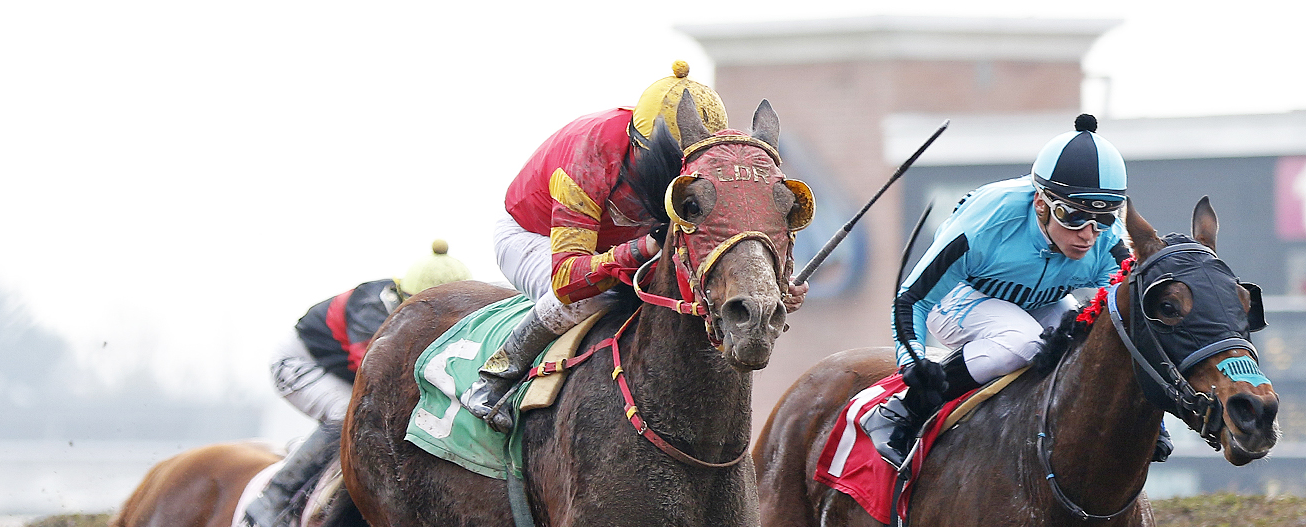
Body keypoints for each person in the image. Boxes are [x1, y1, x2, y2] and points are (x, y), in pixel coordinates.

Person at [463, 61, 806, 431]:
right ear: (638, 144)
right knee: (591, 298)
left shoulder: (708, 168)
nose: (672, 175)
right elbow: (566, 280)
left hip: (623, 243)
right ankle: (497, 376)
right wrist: (642, 248)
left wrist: (767, 285)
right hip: (534, 236)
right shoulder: (590, 156)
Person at [875, 114, 1157, 467]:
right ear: (1040, 203)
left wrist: (1150, 415)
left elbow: (1130, 324)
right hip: (959, 296)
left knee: (1084, 344)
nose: (1088, 234)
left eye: (1104, 218)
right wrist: (913, 365)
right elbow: (911, 301)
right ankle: (901, 410)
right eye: (1073, 217)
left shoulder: (1107, 242)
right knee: (1024, 342)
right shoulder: (985, 224)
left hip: (1042, 300)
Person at [243, 240, 472, 527]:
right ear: (404, 298)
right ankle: (275, 497)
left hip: (344, 370)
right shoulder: (370, 310)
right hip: (300, 362)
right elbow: (378, 375)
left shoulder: (410, 302)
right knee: (346, 415)